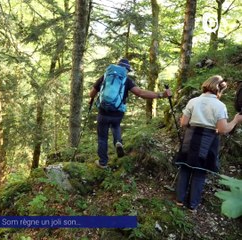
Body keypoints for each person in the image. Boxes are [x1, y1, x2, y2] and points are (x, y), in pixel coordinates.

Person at [174, 75, 242, 212]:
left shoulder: (193, 101)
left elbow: (183, 123)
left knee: (185, 169)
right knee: (200, 173)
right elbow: (222, 129)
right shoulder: (220, 106)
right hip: (208, 140)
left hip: (190, 138)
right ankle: (192, 205)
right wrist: (235, 121)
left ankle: (179, 200)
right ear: (219, 90)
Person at [89, 58, 172, 169]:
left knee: (102, 138)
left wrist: (94, 97)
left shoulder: (105, 76)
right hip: (117, 113)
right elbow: (141, 93)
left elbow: (92, 93)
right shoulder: (126, 80)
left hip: (103, 112)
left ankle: (103, 162)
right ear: (126, 70)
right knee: (115, 125)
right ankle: (118, 142)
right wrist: (161, 95)